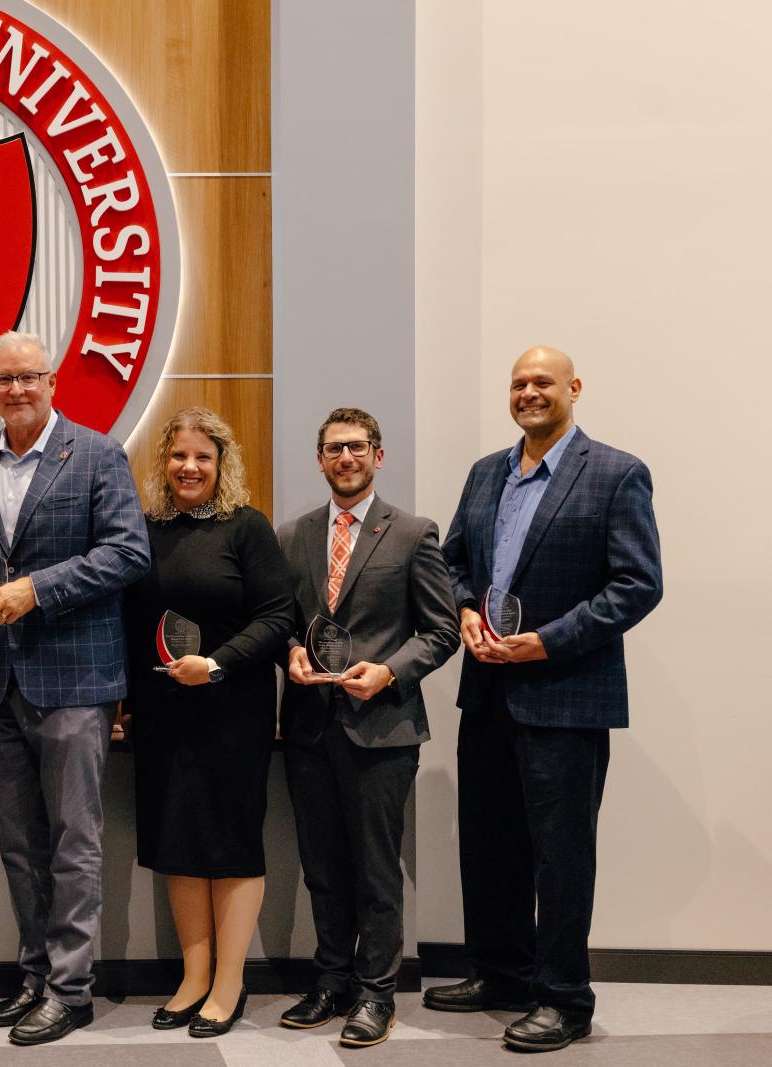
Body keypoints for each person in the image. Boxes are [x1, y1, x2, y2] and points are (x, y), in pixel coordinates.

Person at [427, 347, 661, 1052]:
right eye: (519, 382)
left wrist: (549, 641)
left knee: (560, 856)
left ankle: (564, 998)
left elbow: (637, 584)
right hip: (490, 690)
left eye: (542, 382)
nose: (529, 392)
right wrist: (465, 608)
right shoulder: (485, 472)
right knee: (491, 842)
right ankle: (501, 972)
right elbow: (454, 559)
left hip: (566, 692)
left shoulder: (617, 474)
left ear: (573, 389)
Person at [0, 331, 151, 1046]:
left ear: (53, 380)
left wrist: (39, 589)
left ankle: (70, 988)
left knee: (74, 842)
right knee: (21, 843)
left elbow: (128, 552)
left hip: (76, 679)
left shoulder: (97, 453)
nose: (16, 390)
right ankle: (34, 975)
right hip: (1, 680)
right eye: (3, 380)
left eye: (28, 376)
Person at [275, 408, 459, 1047]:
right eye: (333, 449)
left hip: (382, 728)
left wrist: (388, 672)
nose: (345, 458)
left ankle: (376, 995)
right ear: (320, 459)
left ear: (378, 455)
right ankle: (331, 982)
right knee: (322, 867)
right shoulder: (291, 536)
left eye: (357, 447)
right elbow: (282, 626)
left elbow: (441, 632)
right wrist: (290, 655)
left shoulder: (412, 533)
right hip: (309, 728)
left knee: (377, 869)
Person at [124, 408, 293, 1039]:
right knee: (178, 842)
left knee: (229, 843)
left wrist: (217, 664)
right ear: (162, 463)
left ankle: (229, 983)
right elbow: (129, 624)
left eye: (203, 457)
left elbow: (278, 617)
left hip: (232, 711)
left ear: (222, 465)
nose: (189, 467)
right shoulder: (144, 531)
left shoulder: (246, 528)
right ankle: (194, 978)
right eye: (178, 456)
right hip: (163, 713)